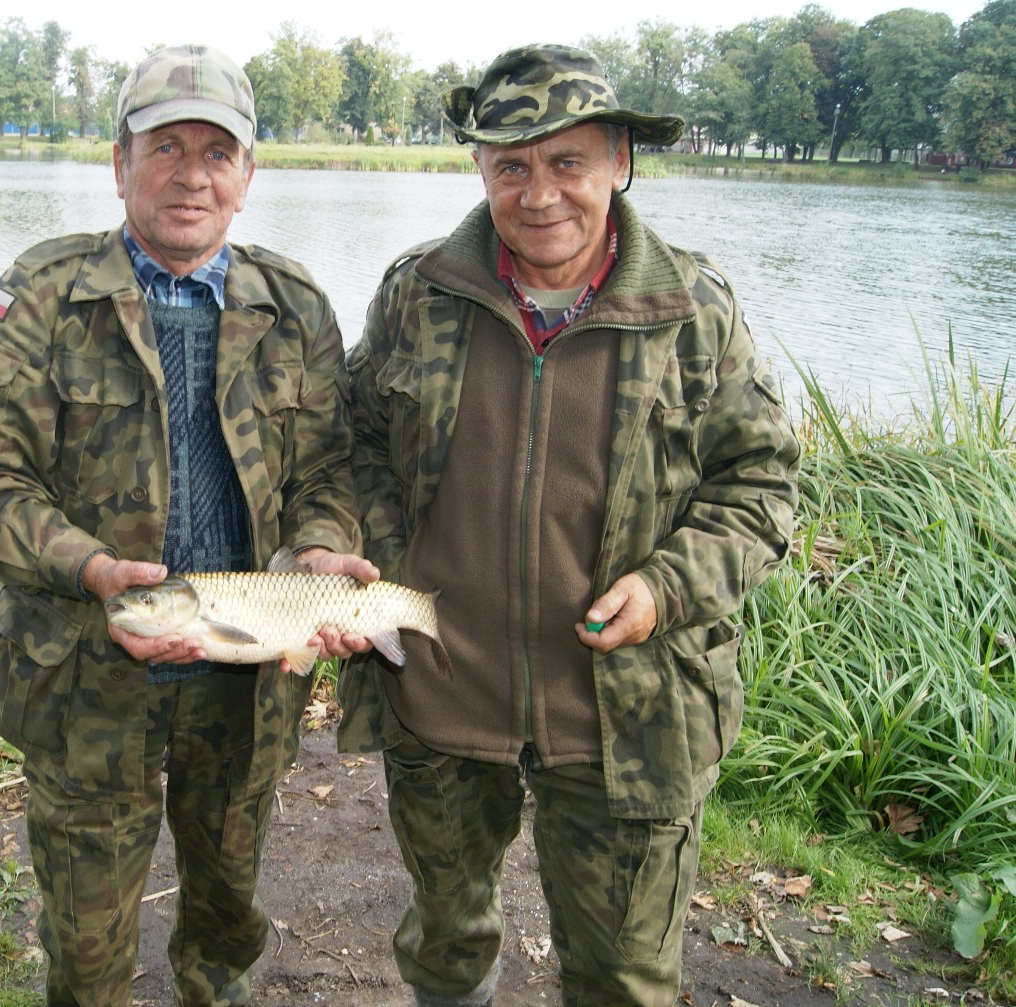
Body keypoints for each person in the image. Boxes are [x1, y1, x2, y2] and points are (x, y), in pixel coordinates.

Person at [340, 44, 801, 1007]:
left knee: (625, 979)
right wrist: (380, 561)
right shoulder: (419, 295)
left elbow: (759, 487)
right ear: (480, 171)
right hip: (440, 692)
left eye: (567, 163)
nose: (540, 193)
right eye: (512, 165)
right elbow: (354, 449)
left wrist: (665, 586)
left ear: (619, 162)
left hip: (626, 716)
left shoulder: (694, 309)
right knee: (444, 950)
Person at [0, 43, 375, 1007]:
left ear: (248, 176)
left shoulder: (295, 307)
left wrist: (321, 548)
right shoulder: (42, 299)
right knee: (87, 948)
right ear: (120, 163)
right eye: (165, 146)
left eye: (217, 153)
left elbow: (331, 472)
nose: (191, 175)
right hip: (88, 674)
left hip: (246, 673)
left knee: (225, 915)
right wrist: (90, 566)